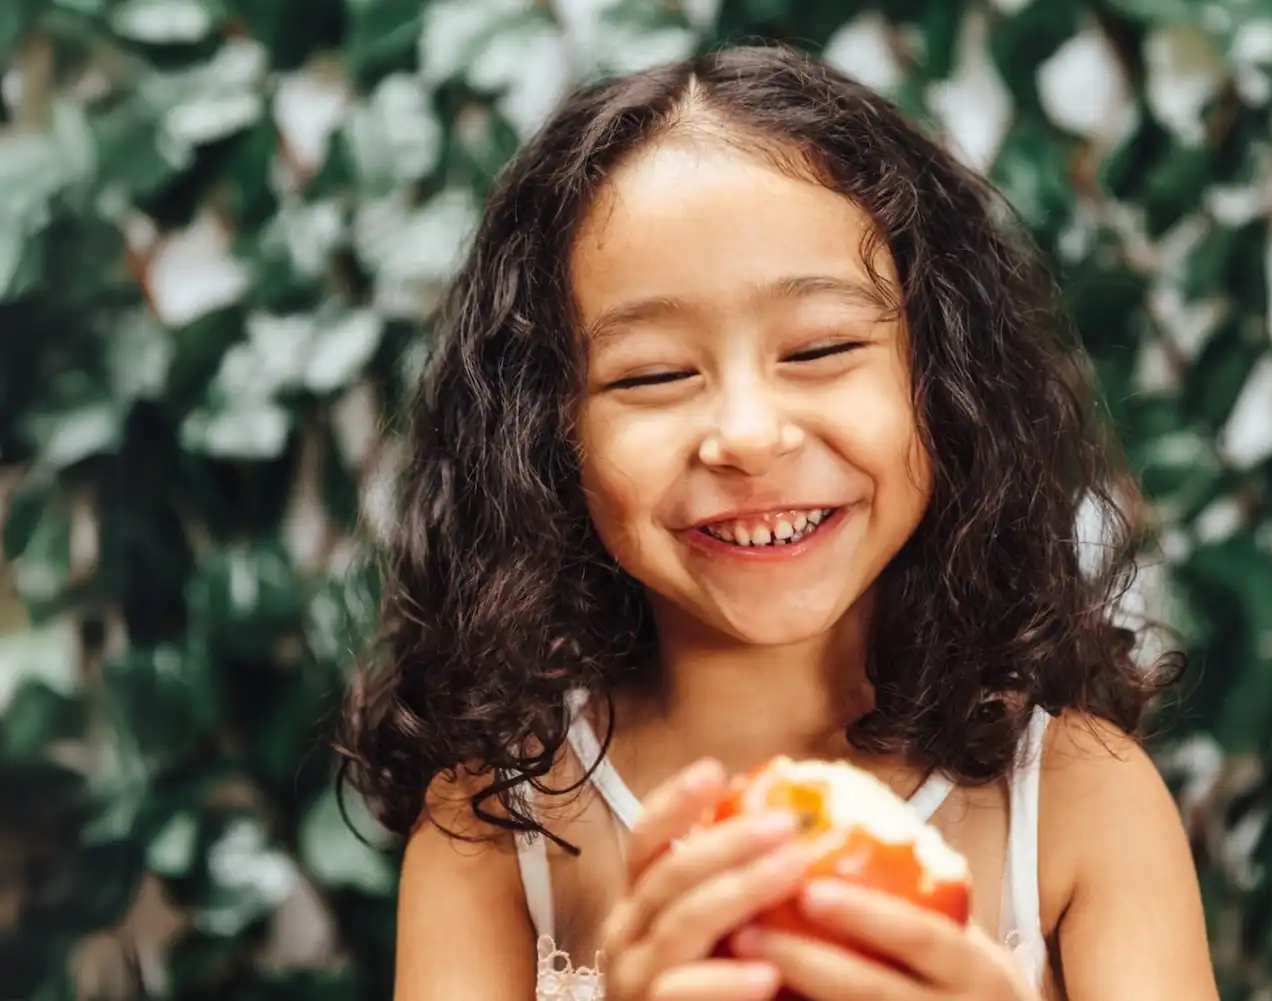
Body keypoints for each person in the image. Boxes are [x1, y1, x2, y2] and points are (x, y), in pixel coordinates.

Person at [337, 42, 1219, 1001]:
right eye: (653, 374)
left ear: (944, 380)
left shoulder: (1084, 803)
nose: (748, 436)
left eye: (823, 347)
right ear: (546, 438)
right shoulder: (493, 833)